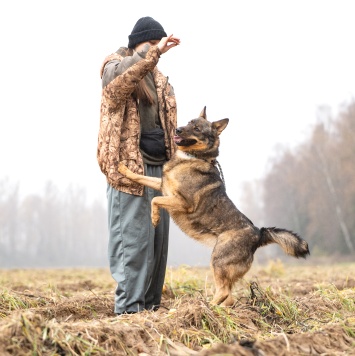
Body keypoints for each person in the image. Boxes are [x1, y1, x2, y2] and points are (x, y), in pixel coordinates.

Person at [97, 17, 180, 315]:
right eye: (151, 44)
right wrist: (150, 54)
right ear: (137, 44)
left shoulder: (160, 79)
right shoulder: (114, 64)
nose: (158, 49)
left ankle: (150, 315)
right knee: (133, 248)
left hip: (161, 175)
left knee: (156, 251)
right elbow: (117, 85)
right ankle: (129, 316)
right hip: (130, 173)